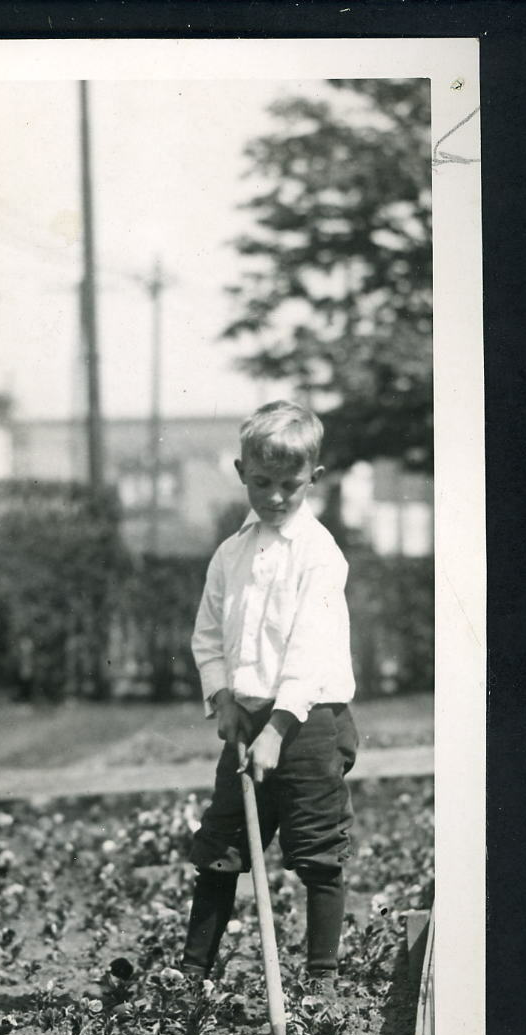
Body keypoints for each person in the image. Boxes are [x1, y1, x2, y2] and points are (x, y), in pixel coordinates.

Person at [182, 401, 358, 999]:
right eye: (263, 482)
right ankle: (191, 973)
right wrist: (223, 697)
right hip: (246, 716)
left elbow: (310, 651)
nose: (276, 496)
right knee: (223, 847)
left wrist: (279, 729)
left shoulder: (318, 553)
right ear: (241, 472)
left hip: (308, 722)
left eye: (290, 484)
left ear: (314, 476)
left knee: (316, 849)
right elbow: (208, 634)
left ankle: (321, 979)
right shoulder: (231, 554)